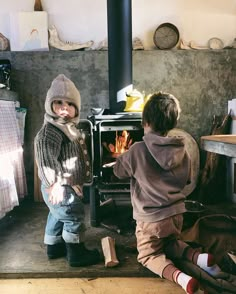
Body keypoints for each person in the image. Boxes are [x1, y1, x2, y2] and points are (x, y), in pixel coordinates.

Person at [113, 92, 222, 293]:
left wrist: (122, 159)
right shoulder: (182, 150)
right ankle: (199, 258)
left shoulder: (137, 150)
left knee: (147, 255)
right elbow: (188, 179)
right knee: (170, 243)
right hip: (176, 215)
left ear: (145, 121)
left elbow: (118, 171)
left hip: (150, 219)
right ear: (172, 122)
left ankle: (180, 278)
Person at [34, 74, 100, 267]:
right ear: (49, 105)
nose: (64, 107)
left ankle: (54, 247)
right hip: (58, 186)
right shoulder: (50, 131)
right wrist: (54, 184)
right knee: (73, 214)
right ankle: (76, 253)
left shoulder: (68, 127)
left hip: (65, 184)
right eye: (58, 102)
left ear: (76, 108)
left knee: (57, 214)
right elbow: (47, 160)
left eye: (70, 104)